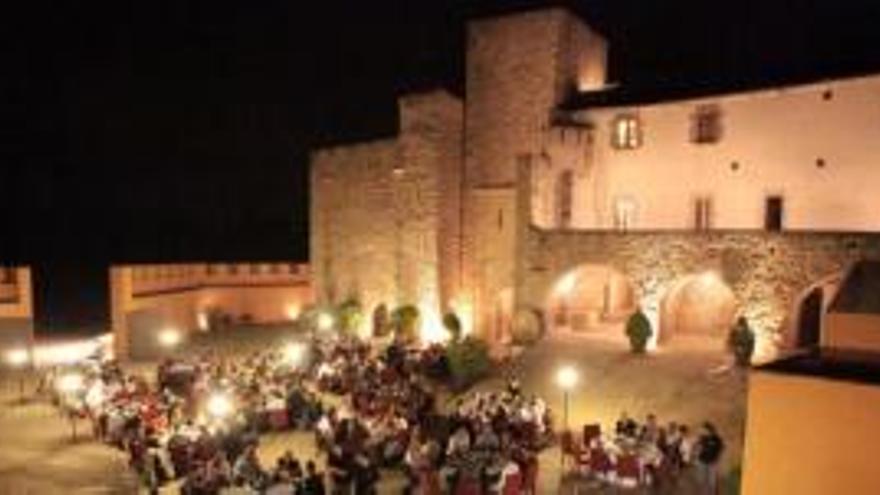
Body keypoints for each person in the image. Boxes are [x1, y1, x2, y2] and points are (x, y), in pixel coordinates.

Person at [696, 422, 724, 494]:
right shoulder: (702, 438)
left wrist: (717, 458)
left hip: (712, 463)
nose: (702, 431)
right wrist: (698, 451)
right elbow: (698, 448)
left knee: (712, 482)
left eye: (704, 430)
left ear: (709, 430)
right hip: (702, 462)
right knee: (702, 481)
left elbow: (721, 448)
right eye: (702, 430)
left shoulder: (716, 439)